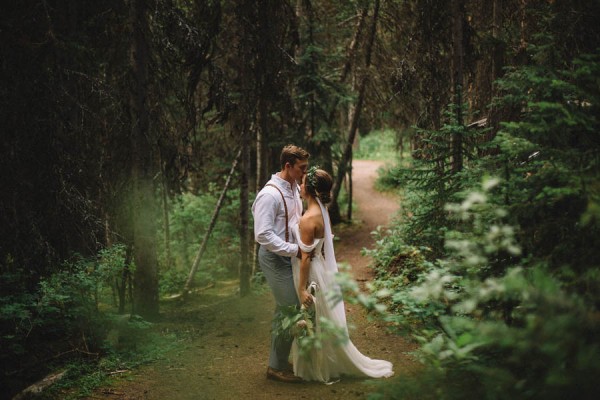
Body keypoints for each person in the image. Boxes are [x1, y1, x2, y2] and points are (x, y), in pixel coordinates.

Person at [291, 167, 394, 383]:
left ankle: (316, 367)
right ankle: (322, 361)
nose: (299, 186)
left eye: (301, 183)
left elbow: (306, 257)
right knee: (321, 317)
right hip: (320, 267)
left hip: (310, 271)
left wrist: (301, 288)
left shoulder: (308, 218)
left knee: (313, 316)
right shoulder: (321, 211)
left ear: (308, 188)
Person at [252, 144, 310, 384]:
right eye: (301, 168)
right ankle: (275, 367)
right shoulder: (270, 195)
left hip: (291, 257)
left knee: (284, 308)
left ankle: (277, 361)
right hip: (274, 259)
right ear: (288, 166)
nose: (304, 173)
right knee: (290, 308)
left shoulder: (295, 187)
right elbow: (262, 235)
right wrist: (294, 250)